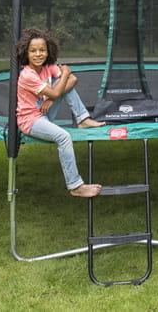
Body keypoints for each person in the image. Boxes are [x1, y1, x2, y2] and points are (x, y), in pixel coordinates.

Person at [15, 27, 106, 198]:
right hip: (30, 120)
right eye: (33, 51)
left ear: (48, 50)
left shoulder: (47, 67)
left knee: (62, 84)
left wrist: (52, 97)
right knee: (63, 137)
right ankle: (75, 186)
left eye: (42, 50)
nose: (38, 54)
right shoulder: (27, 75)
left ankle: (82, 119)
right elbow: (62, 84)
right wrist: (64, 74)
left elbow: (73, 79)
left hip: (44, 112)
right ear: (26, 53)